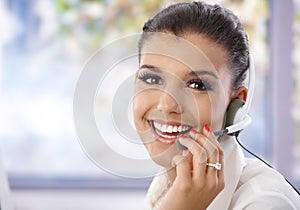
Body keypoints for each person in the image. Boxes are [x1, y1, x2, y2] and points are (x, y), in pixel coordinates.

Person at [132, 1, 300, 209]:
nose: (166, 104)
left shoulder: (267, 202)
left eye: (196, 85)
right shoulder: (166, 184)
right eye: (152, 79)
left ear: (237, 103)